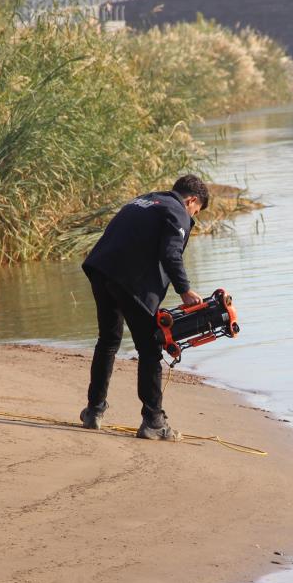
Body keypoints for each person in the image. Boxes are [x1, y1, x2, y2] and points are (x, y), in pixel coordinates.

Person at [79, 174, 210, 440]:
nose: (193, 215)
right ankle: (153, 421)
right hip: (128, 280)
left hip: (101, 270)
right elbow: (171, 253)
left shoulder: (145, 200)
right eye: (196, 210)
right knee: (150, 349)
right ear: (192, 200)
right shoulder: (178, 211)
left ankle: (94, 411)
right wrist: (184, 290)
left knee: (108, 341)